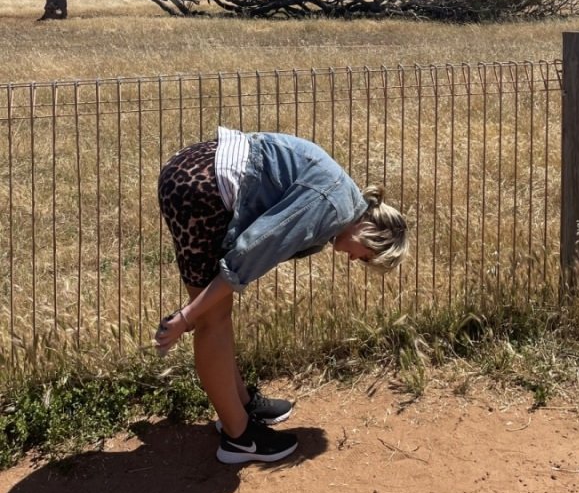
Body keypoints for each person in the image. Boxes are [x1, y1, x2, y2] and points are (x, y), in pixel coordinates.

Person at [154, 126, 409, 465]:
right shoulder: (331, 206)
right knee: (211, 318)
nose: (353, 260)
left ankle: (241, 405)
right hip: (200, 188)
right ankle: (238, 437)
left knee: (217, 311)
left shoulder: (341, 200)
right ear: (369, 232)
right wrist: (188, 316)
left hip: (199, 174)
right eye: (365, 256)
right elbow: (252, 251)